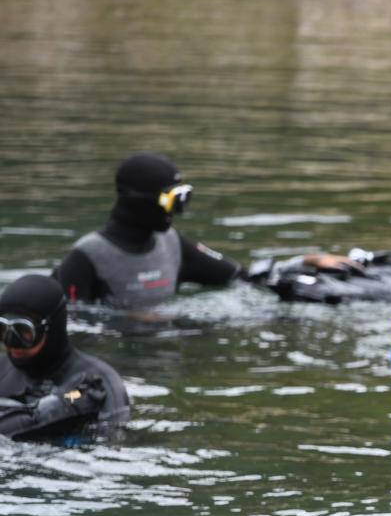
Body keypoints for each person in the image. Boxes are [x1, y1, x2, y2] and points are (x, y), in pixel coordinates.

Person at [53, 152, 245, 308]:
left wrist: (268, 277)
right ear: (135, 200)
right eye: (172, 201)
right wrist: (132, 322)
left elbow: (236, 277)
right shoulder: (86, 256)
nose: (177, 211)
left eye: (183, 199)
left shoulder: (172, 244)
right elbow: (74, 326)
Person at [0, 274, 130, 442]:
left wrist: (67, 400)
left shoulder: (95, 385)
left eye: (24, 331)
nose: (12, 342)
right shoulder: (2, 369)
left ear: (52, 329)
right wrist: (54, 406)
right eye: (3, 329)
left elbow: (114, 442)